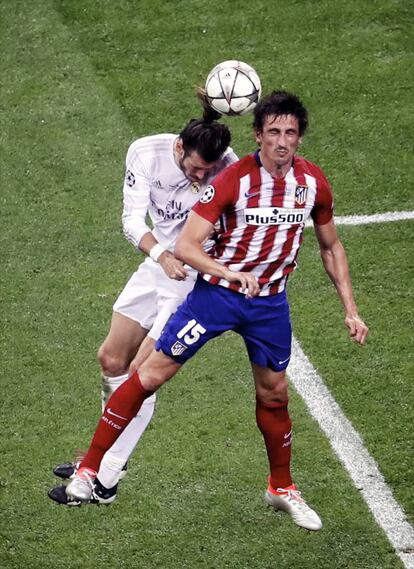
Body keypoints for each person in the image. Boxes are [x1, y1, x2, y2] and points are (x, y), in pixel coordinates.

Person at [64, 90, 368, 530]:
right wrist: (229, 273)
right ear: (257, 135)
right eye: (273, 132)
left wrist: (350, 308)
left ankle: (281, 487)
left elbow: (331, 246)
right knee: (148, 373)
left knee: (274, 393)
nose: (282, 141)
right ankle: (90, 470)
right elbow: (186, 246)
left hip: (269, 305)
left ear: (300, 138)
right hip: (215, 297)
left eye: (290, 132)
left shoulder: (313, 183)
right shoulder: (232, 180)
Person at [48, 95, 238, 506]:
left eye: (208, 171)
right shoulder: (146, 152)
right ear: (179, 149)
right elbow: (131, 220)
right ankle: (110, 451)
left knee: (140, 372)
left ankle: (105, 475)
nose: (200, 177)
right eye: (194, 168)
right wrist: (162, 256)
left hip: (193, 279)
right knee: (110, 359)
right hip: (159, 265)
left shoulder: (228, 166)